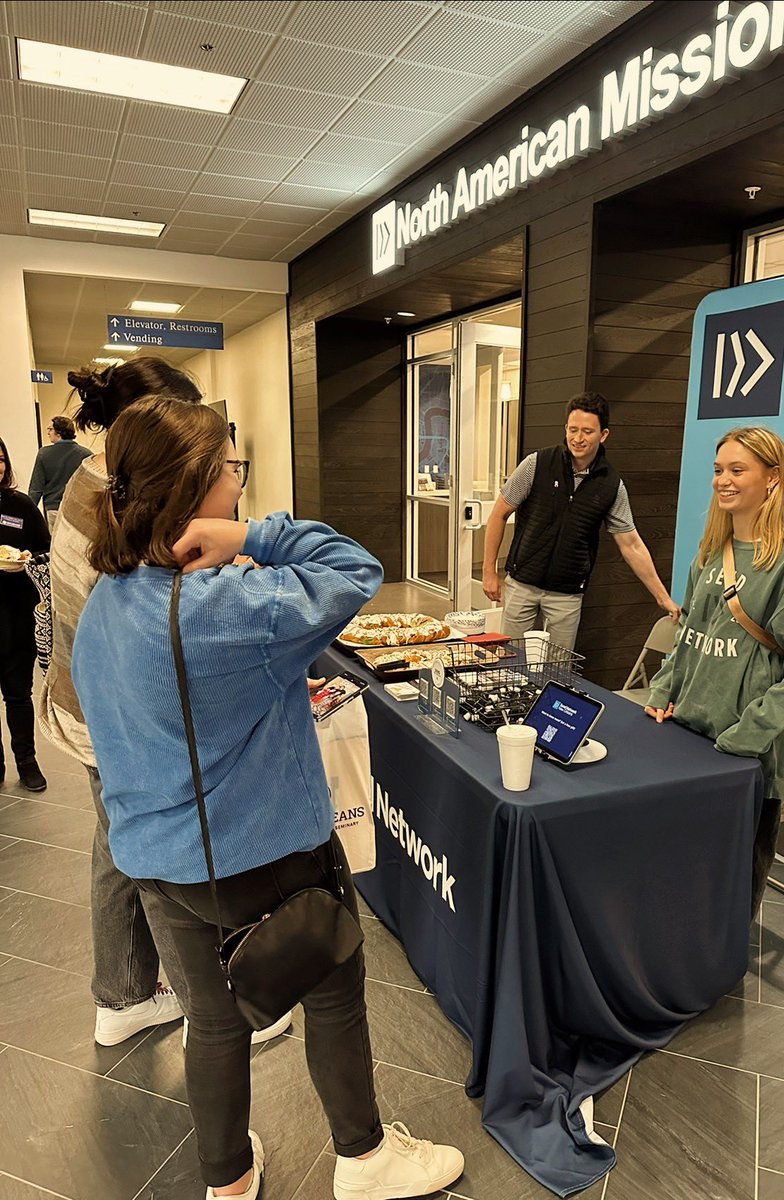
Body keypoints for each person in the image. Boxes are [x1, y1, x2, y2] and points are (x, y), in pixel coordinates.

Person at [71, 395, 466, 1200]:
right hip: (270, 856)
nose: (240, 487)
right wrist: (252, 538)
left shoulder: (109, 600)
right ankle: (362, 1159)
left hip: (158, 860)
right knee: (333, 994)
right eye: (231, 472)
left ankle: (227, 1178)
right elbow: (355, 569)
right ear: (196, 489)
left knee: (212, 1022)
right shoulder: (228, 609)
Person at [38, 357, 207, 1047]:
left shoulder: (95, 475)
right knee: (153, 855)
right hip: (110, 713)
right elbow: (152, 611)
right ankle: (209, 1009)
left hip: (84, 702)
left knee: (116, 847)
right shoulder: (121, 494)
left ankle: (124, 996)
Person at [644, 426, 784, 915]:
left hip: (745, 757)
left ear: (772, 478)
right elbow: (688, 637)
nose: (723, 481)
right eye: (718, 470)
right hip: (688, 737)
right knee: (672, 877)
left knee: (726, 897)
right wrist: (663, 690)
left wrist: (749, 734)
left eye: (737, 470)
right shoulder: (709, 553)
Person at [482, 391, 680, 651]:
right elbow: (499, 514)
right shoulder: (536, 463)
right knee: (511, 662)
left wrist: (662, 597)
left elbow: (631, 544)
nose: (578, 438)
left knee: (558, 671)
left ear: (603, 435)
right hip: (522, 584)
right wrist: (488, 571)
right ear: (565, 428)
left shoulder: (611, 484)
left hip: (567, 594)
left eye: (587, 431)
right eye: (572, 429)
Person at [0, 435, 51, 791]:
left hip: (17, 609)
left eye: (0, 458)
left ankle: (27, 761)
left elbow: (44, 548)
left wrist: (28, 559)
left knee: (19, 691)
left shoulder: (19, 505)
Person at [27, 415, 92, 530]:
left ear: (59, 432)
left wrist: (27, 515)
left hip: (53, 509)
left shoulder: (44, 454)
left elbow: (36, 489)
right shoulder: (86, 454)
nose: (48, 432)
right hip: (78, 509)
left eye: (50, 429)